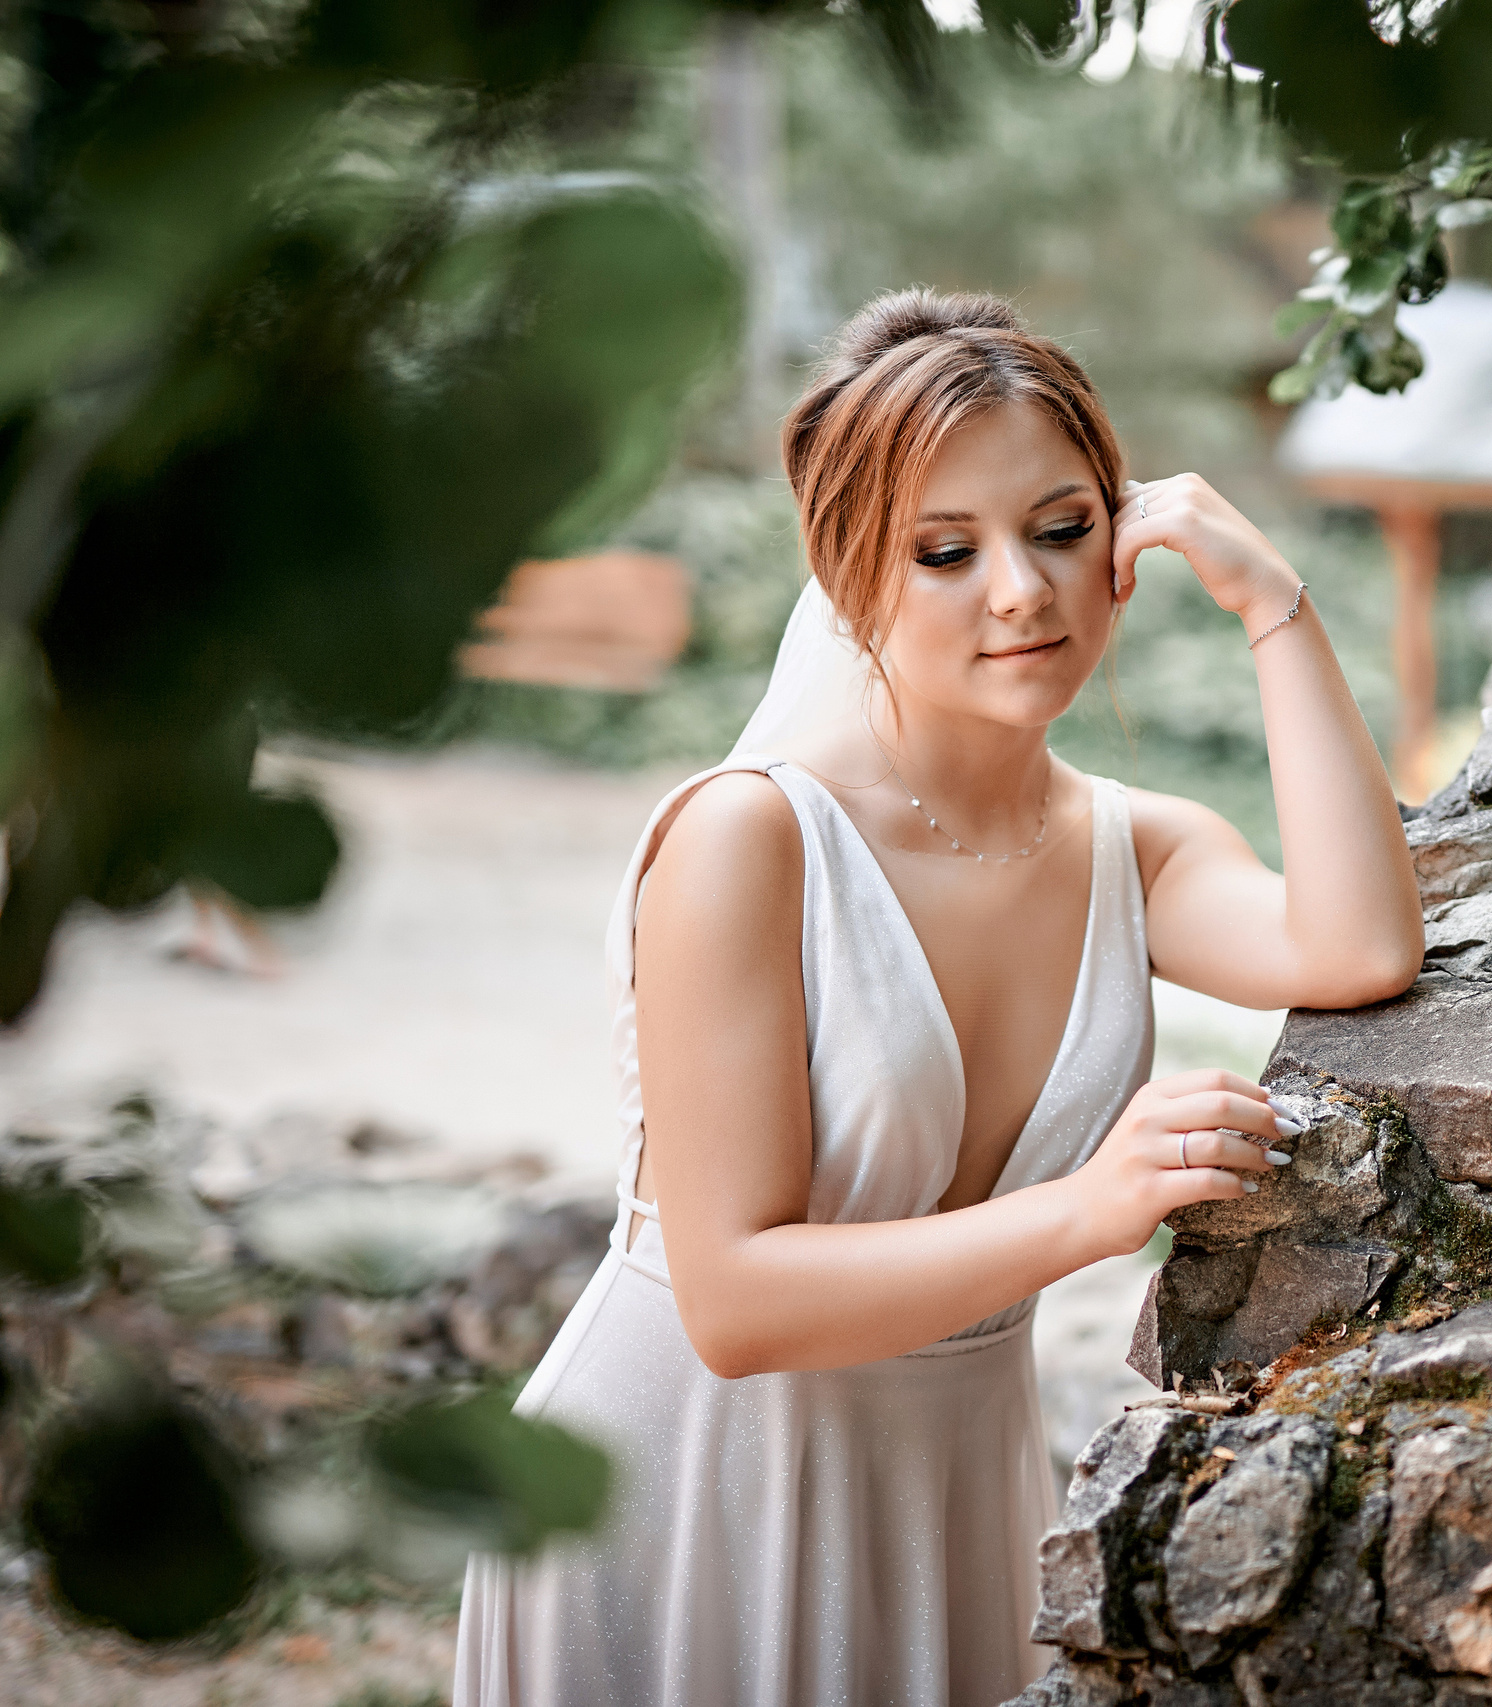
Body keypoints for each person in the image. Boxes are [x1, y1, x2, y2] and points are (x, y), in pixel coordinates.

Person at [451, 288, 1423, 1707]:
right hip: (687, 1492)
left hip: (953, 1496)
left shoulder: (1137, 849)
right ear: (850, 576)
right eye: (946, 551)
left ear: (1120, 543)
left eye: (1062, 529)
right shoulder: (750, 840)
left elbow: (1360, 947)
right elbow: (733, 1301)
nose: (1021, 591)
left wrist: (1274, 604)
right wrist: (1094, 1207)